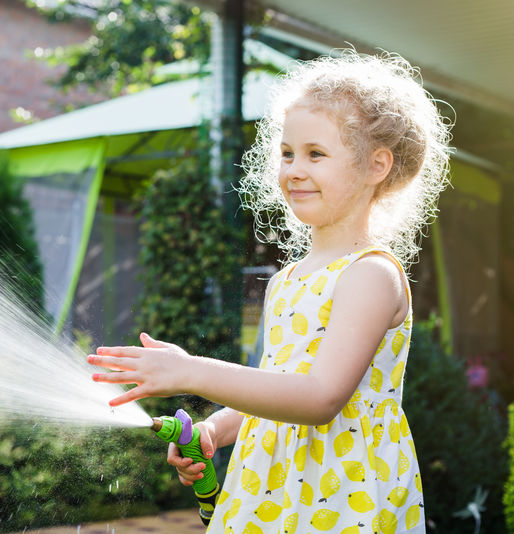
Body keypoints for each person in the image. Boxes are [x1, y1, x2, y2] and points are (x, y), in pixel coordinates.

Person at [88, 49, 452, 533]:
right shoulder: (286, 280)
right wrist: (215, 430)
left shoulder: (370, 275)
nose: (294, 169)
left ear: (376, 166)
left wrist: (191, 370)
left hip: (345, 493)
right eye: (287, 153)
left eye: (316, 154)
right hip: (270, 489)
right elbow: (278, 384)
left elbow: (319, 397)